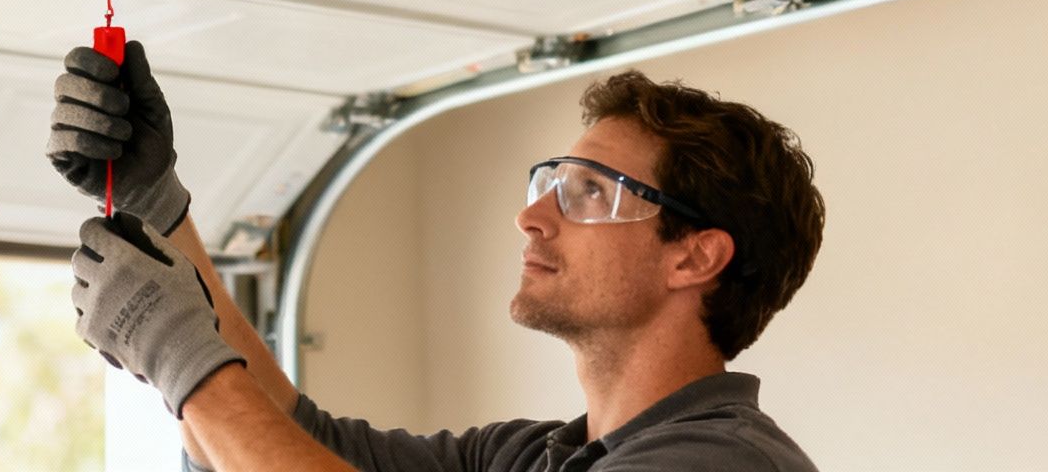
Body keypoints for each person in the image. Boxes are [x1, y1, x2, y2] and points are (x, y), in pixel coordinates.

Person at [47, 42, 826, 471]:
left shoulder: (722, 466)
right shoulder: (531, 460)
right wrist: (154, 203)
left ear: (695, 258)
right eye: (550, 182)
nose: (531, 216)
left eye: (589, 193)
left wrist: (176, 347)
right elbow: (292, 439)